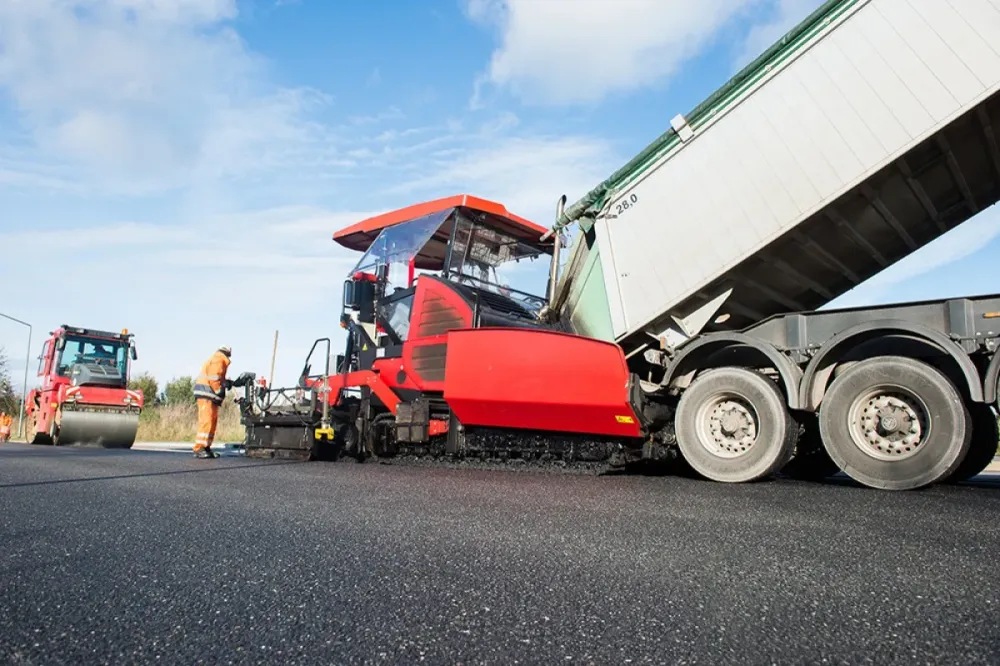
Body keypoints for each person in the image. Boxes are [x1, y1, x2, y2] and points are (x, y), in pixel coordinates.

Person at [192, 345, 232, 459]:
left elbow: (217, 377)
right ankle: (199, 448)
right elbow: (214, 377)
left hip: (209, 395)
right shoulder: (219, 359)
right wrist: (219, 390)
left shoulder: (218, 359)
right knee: (206, 421)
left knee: (212, 421)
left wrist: (225, 383)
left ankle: (206, 447)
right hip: (207, 394)